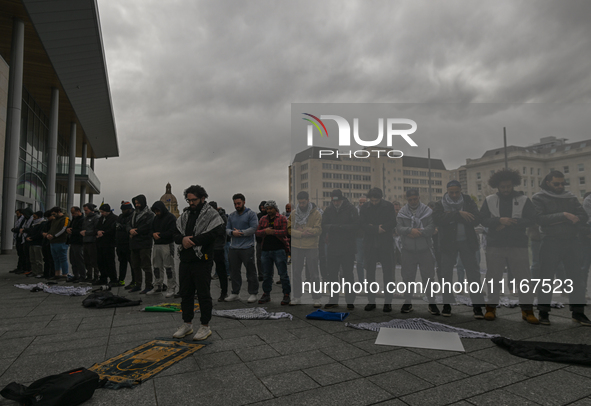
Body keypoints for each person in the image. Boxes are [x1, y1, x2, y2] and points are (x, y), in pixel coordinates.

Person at [479, 169, 539, 324]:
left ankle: (527, 310)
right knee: (493, 277)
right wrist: (499, 221)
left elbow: (533, 219)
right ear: (497, 186)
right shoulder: (490, 199)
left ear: (513, 185)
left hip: (518, 244)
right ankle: (491, 308)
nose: (505, 190)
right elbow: (483, 219)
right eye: (503, 187)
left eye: (508, 186)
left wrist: (513, 222)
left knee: (524, 278)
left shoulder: (524, 199)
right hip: (495, 244)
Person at [532, 170, 590, 326]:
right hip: (550, 242)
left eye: (562, 183)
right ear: (548, 183)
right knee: (546, 278)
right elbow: (539, 219)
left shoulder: (570, 197)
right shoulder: (539, 197)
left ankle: (578, 313)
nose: (560, 186)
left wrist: (560, 219)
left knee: (576, 279)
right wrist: (564, 215)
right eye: (556, 183)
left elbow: (583, 217)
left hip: (571, 241)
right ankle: (543, 312)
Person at [172, 185, 224, 340]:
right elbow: (174, 233)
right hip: (185, 259)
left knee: (203, 294)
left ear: (202, 198)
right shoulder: (185, 214)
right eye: (189, 200)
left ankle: (205, 326)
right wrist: (182, 239)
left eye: (194, 199)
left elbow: (213, 234)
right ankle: (187, 324)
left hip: (202, 260)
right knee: (185, 293)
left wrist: (191, 241)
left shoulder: (211, 214)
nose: (191, 203)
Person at [433, 180, 485, 318]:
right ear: (447, 191)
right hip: (447, 244)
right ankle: (447, 305)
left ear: (461, 190)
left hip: (467, 243)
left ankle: (478, 306)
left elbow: (476, 218)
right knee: (446, 275)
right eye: (451, 192)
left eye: (457, 192)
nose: (454, 195)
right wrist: (459, 214)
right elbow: (438, 219)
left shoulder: (468, 201)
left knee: (473, 274)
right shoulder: (440, 204)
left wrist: (450, 216)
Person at [397, 189, 438, 315]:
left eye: (415, 199)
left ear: (419, 198)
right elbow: (398, 227)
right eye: (410, 200)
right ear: (407, 200)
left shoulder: (428, 211)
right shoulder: (402, 212)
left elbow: (432, 226)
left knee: (428, 277)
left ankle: (432, 303)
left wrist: (418, 232)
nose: (413, 201)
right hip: (408, 250)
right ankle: (408, 302)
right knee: (408, 277)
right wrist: (410, 230)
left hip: (425, 249)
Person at [360, 188, 396, 312]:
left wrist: (380, 228)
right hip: (370, 244)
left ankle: (388, 301)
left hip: (385, 244)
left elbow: (393, 222)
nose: (374, 202)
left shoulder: (388, 206)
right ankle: (371, 300)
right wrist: (376, 229)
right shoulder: (365, 207)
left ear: (381, 198)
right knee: (370, 274)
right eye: (372, 200)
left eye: (376, 200)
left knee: (388, 274)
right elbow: (362, 224)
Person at [322, 189, 359, 309]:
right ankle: (333, 299)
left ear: (342, 199)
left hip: (347, 247)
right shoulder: (329, 210)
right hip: (333, 247)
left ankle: (350, 301)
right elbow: (323, 225)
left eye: (337, 201)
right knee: (332, 274)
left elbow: (356, 226)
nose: (335, 203)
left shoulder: (351, 209)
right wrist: (333, 227)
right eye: (333, 201)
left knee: (348, 275)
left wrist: (341, 227)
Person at [288, 191, 322, 307]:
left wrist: (306, 229)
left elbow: (318, 230)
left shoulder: (316, 213)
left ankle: (316, 298)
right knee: (296, 272)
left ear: (308, 200)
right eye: (300, 203)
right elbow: (289, 230)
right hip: (297, 246)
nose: (302, 205)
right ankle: (297, 297)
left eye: (303, 202)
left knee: (314, 274)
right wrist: (301, 233)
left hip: (311, 246)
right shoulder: (293, 214)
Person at [225, 193, 259, 303]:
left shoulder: (251, 214)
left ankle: (253, 293)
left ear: (244, 202)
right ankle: (235, 293)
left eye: (239, 203)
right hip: (234, 247)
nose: (237, 206)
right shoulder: (231, 215)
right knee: (234, 271)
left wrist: (241, 233)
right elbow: (227, 229)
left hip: (247, 247)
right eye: (235, 204)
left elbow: (254, 228)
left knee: (250, 271)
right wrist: (231, 232)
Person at [256, 200, 291, 305]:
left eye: (271, 208)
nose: (269, 210)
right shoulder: (262, 219)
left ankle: (287, 294)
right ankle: (266, 294)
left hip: (279, 249)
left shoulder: (282, 218)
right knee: (266, 274)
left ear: (275, 208)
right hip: (266, 250)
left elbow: (286, 232)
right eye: (267, 209)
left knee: (283, 274)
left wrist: (273, 232)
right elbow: (257, 232)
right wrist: (265, 231)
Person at [128, 195, 155, 294]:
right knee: (135, 265)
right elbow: (128, 224)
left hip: (144, 243)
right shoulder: (133, 214)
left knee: (146, 266)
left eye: (138, 203)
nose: (137, 205)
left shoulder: (149, 214)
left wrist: (136, 231)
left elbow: (148, 226)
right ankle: (137, 284)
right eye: (135, 203)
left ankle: (149, 285)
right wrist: (130, 230)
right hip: (134, 244)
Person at [150, 201, 178, 296]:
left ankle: (171, 287)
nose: (157, 213)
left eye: (158, 211)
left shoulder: (171, 218)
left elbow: (172, 231)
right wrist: (153, 234)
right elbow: (151, 229)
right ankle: (157, 285)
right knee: (156, 266)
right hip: (157, 245)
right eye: (155, 211)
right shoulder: (155, 218)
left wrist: (160, 235)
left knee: (169, 267)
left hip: (167, 244)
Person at [209, 201, 229, 301]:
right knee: (206, 270)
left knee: (221, 270)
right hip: (209, 246)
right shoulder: (208, 217)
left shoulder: (222, 217)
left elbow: (221, 231)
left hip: (218, 247)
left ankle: (224, 292)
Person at [96, 204, 118, 286]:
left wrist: (104, 233)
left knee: (109, 262)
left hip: (109, 243)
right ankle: (103, 278)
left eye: (103, 212)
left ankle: (113, 279)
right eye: (101, 212)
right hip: (100, 243)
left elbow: (113, 229)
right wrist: (98, 231)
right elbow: (97, 227)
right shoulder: (101, 218)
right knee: (100, 262)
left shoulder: (114, 218)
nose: (101, 213)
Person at [46, 207, 70, 279]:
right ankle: (57, 274)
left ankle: (64, 274)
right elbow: (51, 229)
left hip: (61, 241)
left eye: (54, 214)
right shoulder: (55, 220)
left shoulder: (65, 219)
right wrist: (48, 235)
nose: (53, 216)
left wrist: (54, 236)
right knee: (55, 259)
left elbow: (63, 229)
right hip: (53, 242)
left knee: (63, 258)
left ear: (59, 212)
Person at [80, 203, 100, 283]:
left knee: (93, 260)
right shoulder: (85, 218)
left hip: (92, 242)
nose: (85, 212)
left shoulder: (96, 218)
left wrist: (87, 233)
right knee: (86, 260)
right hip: (85, 241)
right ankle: (89, 275)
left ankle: (96, 276)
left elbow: (96, 230)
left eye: (86, 210)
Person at [117, 202, 134, 288]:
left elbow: (129, 226)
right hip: (120, 243)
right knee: (122, 263)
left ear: (129, 209)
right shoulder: (120, 216)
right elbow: (116, 225)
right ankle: (121, 279)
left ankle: (134, 281)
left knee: (132, 264)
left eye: (124, 209)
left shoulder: (133, 216)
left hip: (129, 244)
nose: (123, 211)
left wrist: (122, 227)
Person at [24, 211, 45, 278]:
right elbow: (31, 231)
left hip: (38, 243)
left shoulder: (42, 223)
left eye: (35, 217)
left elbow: (39, 234)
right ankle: (34, 271)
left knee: (38, 259)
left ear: (39, 217)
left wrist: (32, 238)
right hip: (32, 243)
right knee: (32, 259)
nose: (33, 218)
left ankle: (40, 272)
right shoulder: (34, 224)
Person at [66, 206, 85, 283]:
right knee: (72, 260)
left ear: (78, 211)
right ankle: (76, 275)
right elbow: (70, 227)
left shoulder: (82, 220)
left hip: (79, 242)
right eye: (71, 213)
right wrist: (68, 229)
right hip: (72, 241)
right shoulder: (74, 219)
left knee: (79, 260)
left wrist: (72, 231)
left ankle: (82, 275)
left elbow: (81, 231)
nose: (72, 214)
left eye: (73, 213)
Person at [10, 209, 26, 273]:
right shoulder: (20, 220)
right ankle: (19, 267)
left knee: (22, 254)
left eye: (18, 214)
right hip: (18, 238)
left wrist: (15, 230)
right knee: (20, 254)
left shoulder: (23, 220)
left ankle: (22, 267)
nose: (17, 215)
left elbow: (21, 229)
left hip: (21, 238)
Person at [355, 196, 367, 283]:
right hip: (358, 237)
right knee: (359, 261)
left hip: (368, 238)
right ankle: (361, 282)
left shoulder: (370, 211)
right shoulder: (355, 212)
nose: (362, 204)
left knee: (368, 261)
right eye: (360, 202)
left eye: (364, 202)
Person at [255, 201, 267, 282]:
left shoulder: (269, 216)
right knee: (259, 258)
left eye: (264, 208)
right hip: (259, 240)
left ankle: (267, 274)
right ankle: (260, 274)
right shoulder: (258, 216)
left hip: (267, 240)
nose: (262, 209)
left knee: (267, 259)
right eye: (261, 208)